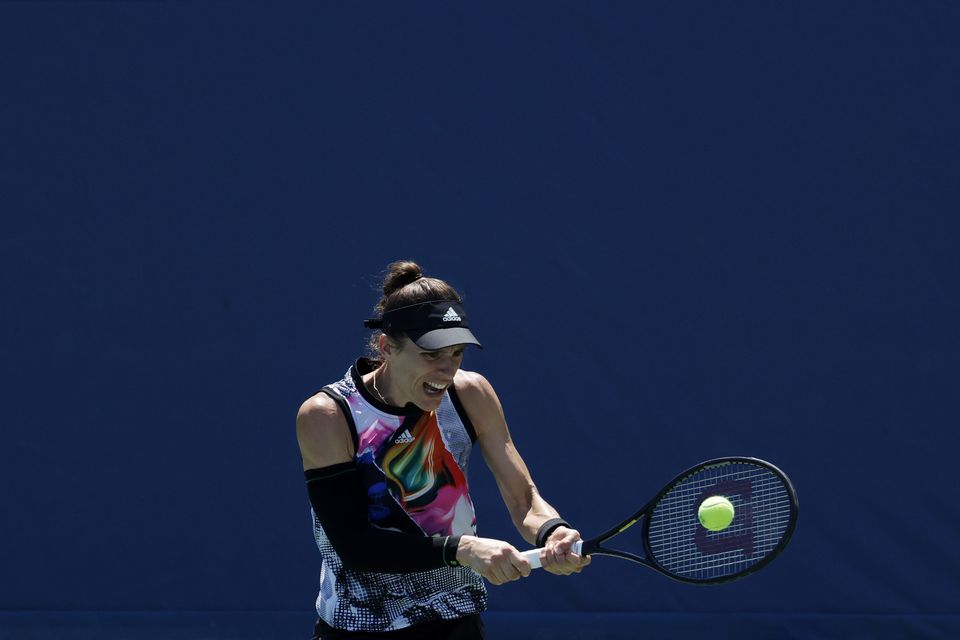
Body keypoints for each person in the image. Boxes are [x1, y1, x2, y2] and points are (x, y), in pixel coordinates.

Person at [297, 260, 590, 639]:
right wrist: (463, 549)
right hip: (362, 624)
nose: (446, 370)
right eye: (431, 355)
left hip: (455, 618)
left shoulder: (470, 393)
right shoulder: (329, 415)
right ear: (387, 347)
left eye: (456, 354)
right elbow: (356, 544)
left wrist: (552, 532)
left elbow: (523, 498)